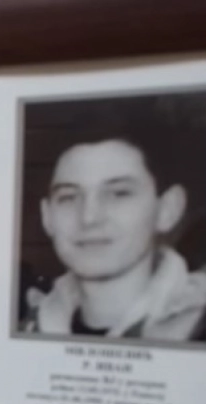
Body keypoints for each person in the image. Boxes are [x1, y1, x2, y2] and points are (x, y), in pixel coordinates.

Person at [21, 114, 206, 342]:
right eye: (68, 197)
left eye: (119, 193)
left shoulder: (198, 327)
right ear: (47, 216)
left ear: (167, 209)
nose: (89, 218)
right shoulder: (25, 329)